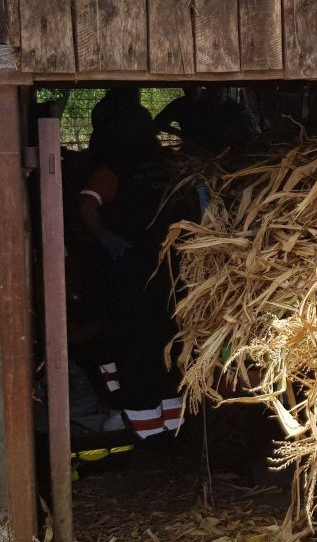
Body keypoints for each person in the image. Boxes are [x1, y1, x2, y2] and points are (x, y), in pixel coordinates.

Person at [79, 90, 182, 440]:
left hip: (134, 271)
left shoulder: (109, 168)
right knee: (164, 342)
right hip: (163, 268)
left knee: (136, 346)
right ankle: (167, 430)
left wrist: (107, 238)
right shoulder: (164, 161)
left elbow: (86, 207)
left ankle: (149, 430)